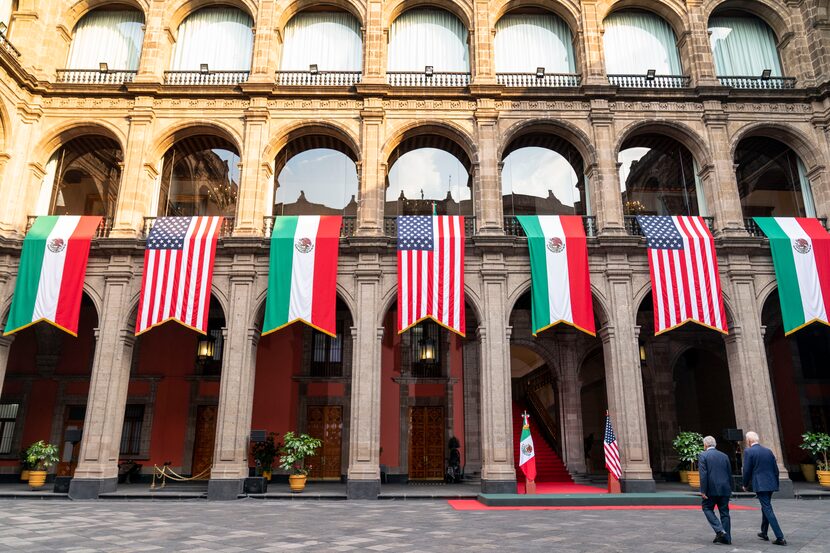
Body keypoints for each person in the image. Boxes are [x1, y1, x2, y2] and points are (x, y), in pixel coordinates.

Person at [742, 431, 787, 546]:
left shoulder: (748, 451)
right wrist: (775, 483)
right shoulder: (768, 451)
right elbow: (776, 469)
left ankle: (780, 537)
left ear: (748, 441)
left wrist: (745, 484)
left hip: (760, 484)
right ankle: (764, 532)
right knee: (765, 506)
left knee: (767, 508)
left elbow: (747, 470)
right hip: (771, 483)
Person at [698, 436, 733, 545]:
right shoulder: (724, 456)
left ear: (705, 445)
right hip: (725, 488)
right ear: (715, 444)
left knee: (707, 508)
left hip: (711, 489)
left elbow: (703, 474)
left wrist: (703, 490)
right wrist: (730, 488)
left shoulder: (703, 455)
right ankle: (727, 538)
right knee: (725, 513)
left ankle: (719, 530)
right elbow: (729, 473)